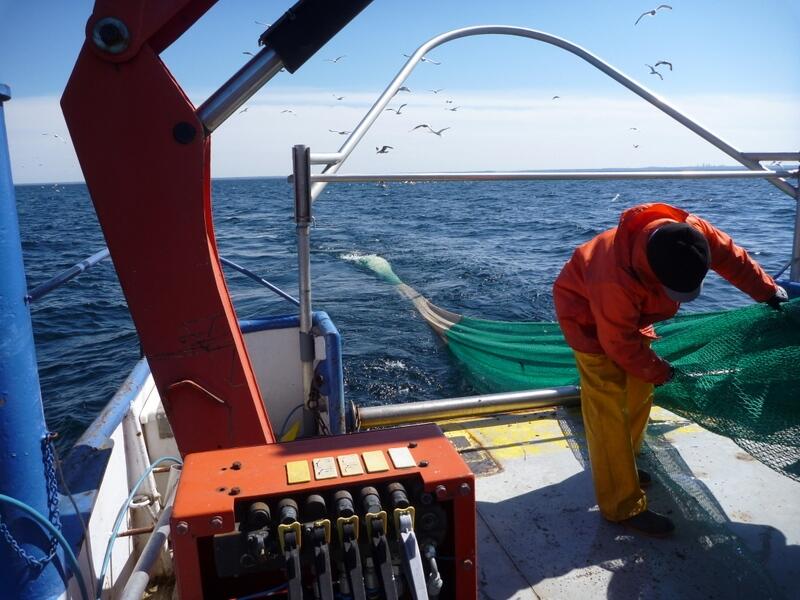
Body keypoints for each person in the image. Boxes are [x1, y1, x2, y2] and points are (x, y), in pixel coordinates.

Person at [552, 202, 788, 536]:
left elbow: (732, 257)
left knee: (639, 389)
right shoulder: (614, 278)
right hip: (588, 319)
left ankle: (626, 462)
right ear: (650, 273)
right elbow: (618, 343)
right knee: (607, 406)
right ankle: (620, 507)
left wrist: (766, 291)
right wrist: (661, 371)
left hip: (633, 316)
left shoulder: (692, 234)